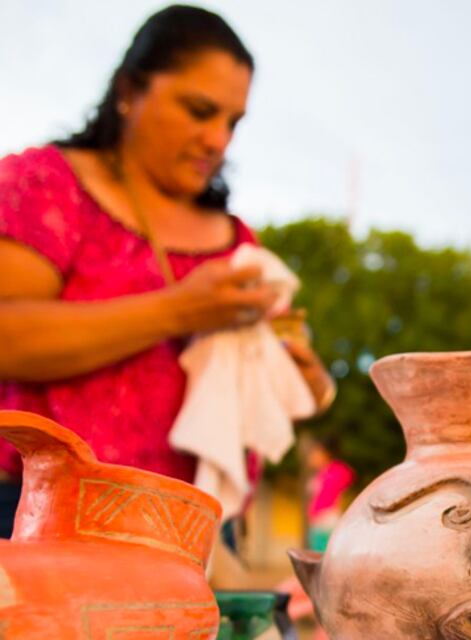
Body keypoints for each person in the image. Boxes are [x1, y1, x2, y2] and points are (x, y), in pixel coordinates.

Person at [0, 5, 334, 537]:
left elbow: (249, 383)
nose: (219, 140)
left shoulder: (236, 237)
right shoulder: (46, 184)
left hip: (199, 527)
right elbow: (8, 340)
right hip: (41, 516)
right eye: (200, 111)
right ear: (130, 91)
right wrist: (177, 310)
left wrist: (302, 383)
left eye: (233, 122)